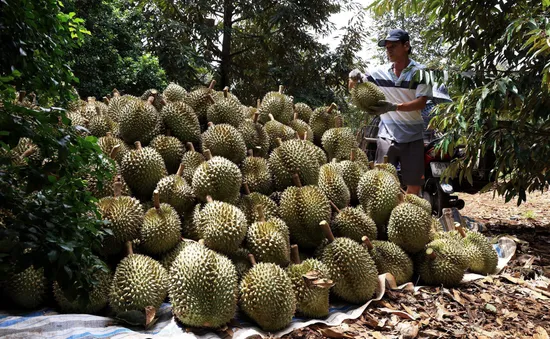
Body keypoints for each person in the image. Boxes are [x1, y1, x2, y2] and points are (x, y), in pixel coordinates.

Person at [348, 28, 432, 195]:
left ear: (406, 46)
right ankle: (387, 219)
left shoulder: (422, 73)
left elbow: (421, 102)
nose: (389, 50)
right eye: (387, 47)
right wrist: (352, 77)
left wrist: (394, 106)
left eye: (393, 46)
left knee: (414, 185)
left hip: (412, 136)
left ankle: (407, 215)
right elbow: (355, 87)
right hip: (386, 135)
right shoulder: (378, 72)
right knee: (383, 183)